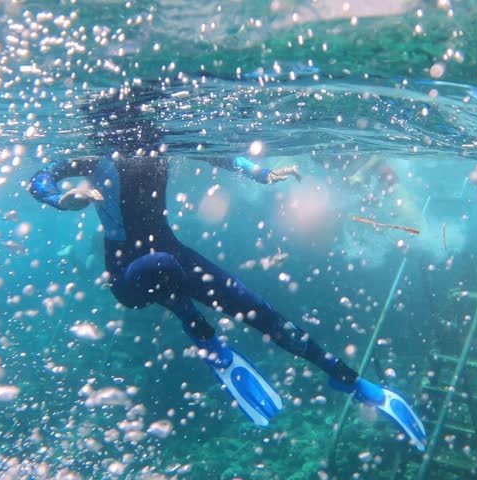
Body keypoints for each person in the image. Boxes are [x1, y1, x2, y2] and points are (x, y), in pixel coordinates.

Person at [28, 85, 427, 451]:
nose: (143, 136)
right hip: (129, 276)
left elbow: (217, 152)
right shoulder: (94, 157)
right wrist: (60, 197)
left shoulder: (160, 143)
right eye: (133, 127)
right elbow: (40, 177)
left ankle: (351, 380)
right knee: (164, 264)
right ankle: (202, 333)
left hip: (174, 257)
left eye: (146, 126)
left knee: (266, 313)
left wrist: (260, 172)